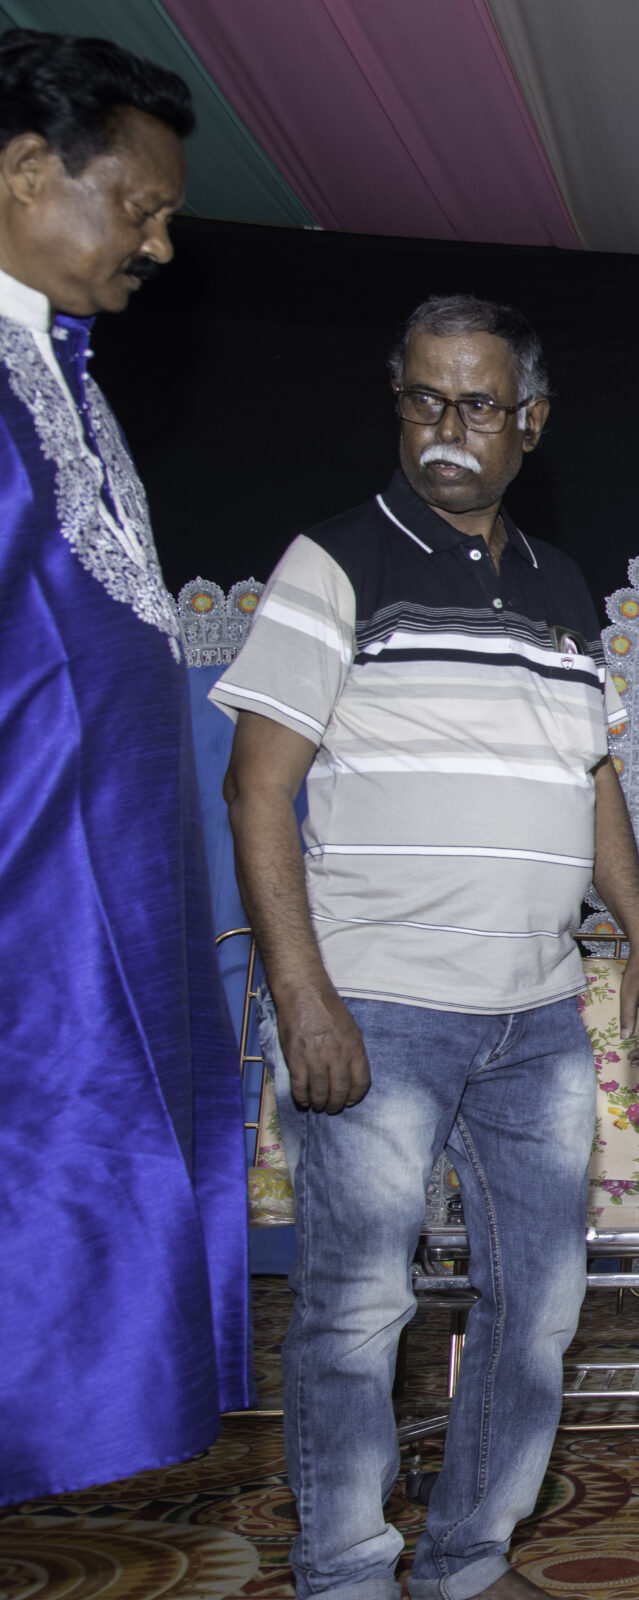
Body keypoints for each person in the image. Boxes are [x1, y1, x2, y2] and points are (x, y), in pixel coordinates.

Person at [217, 295, 639, 1600]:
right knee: (361, 1308)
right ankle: (345, 1580)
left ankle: (472, 1550)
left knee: (540, 1304)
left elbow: (591, 779)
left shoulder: (562, 587)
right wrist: (304, 996)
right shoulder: (335, 561)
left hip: (537, 1014)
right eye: (424, 399)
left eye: (478, 404)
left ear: (531, 422)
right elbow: (256, 788)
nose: (446, 430)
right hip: (379, 1006)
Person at [0, 27, 252, 1508]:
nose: (157, 246)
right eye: (141, 209)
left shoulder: (65, 378)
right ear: (29, 172)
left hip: (95, 922)